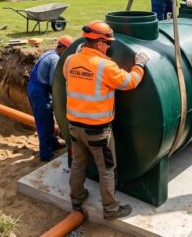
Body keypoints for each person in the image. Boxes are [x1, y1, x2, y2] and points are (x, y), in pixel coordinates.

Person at [63, 20, 150, 220]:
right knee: (107, 170)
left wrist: (78, 56)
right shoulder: (105, 66)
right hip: (98, 133)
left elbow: (67, 75)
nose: (109, 46)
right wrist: (139, 64)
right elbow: (130, 82)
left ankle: (76, 198)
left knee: (77, 164)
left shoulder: (70, 61)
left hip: (74, 129)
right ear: (100, 43)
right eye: (108, 43)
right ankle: (111, 210)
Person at [27, 35, 73, 162]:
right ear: (62, 47)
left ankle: (53, 142)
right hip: (39, 92)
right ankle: (46, 153)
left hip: (35, 87)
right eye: (68, 51)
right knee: (44, 122)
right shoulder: (55, 59)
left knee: (48, 119)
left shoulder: (49, 53)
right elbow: (55, 84)